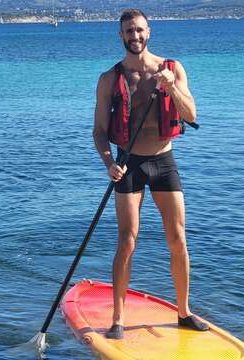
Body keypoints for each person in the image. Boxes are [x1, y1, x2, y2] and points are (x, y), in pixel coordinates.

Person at [92, 9, 208, 339]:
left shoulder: (172, 69)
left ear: (149, 32)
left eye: (140, 30)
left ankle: (183, 312)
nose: (135, 36)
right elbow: (99, 131)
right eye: (129, 31)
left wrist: (172, 88)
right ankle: (118, 319)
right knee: (127, 241)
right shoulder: (110, 79)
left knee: (178, 239)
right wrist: (108, 163)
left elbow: (191, 113)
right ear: (120, 35)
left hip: (164, 162)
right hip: (128, 166)